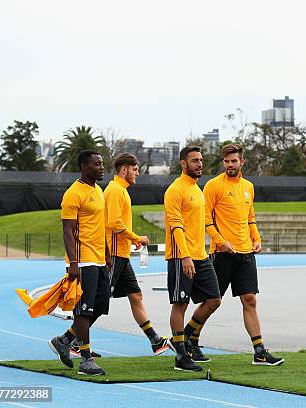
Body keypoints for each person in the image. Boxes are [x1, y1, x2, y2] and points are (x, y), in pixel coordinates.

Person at [194, 143, 283, 366]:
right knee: (212, 302)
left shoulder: (248, 187)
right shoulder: (213, 186)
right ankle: (189, 338)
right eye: (226, 161)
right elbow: (206, 220)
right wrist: (220, 241)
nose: (230, 165)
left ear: (242, 162)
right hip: (222, 254)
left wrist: (257, 238)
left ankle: (259, 351)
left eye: (234, 161)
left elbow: (250, 217)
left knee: (250, 300)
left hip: (245, 254)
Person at [48, 150, 110, 376]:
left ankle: (64, 340)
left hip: (99, 259)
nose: (102, 167)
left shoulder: (99, 190)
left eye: (102, 164)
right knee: (83, 311)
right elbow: (67, 231)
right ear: (85, 166)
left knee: (100, 305)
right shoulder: (73, 194)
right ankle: (85, 358)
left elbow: (99, 224)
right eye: (97, 164)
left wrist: (107, 253)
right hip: (82, 261)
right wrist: (73, 262)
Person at [103, 153, 170, 356]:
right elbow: (114, 223)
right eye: (135, 169)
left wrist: (131, 241)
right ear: (124, 169)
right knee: (99, 301)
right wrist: (135, 238)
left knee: (136, 295)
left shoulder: (121, 190)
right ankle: (69, 339)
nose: (137, 174)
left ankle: (155, 340)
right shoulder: (115, 190)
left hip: (122, 255)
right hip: (114, 255)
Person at [164, 146, 222, 371]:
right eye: (195, 160)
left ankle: (185, 337)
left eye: (201, 160)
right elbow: (176, 226)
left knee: (214, 299)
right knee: (181, 303)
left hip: (201, 255)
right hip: (181, 256)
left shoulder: (197, 190)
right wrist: (185, 256)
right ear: (183, 163)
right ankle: (180, 356)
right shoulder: (175, 190)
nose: (199, 164)